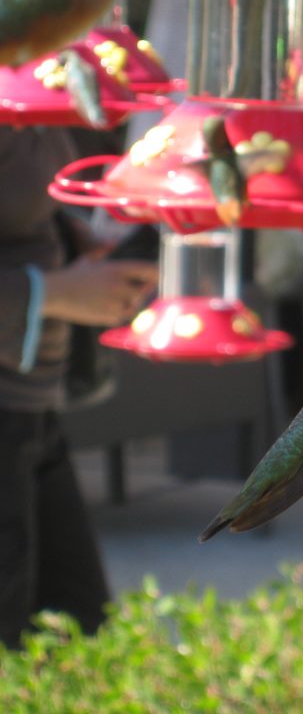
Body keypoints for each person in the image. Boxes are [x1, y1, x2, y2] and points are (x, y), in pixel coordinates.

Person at [0, 125, 158, 648]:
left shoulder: (35, 68)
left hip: (30, 406)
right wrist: (52, 293)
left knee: (76, 636)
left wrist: (72, 237)